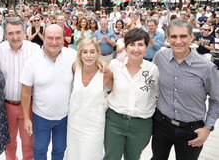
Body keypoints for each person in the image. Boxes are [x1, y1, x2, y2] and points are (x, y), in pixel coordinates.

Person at [151, 19, 219, 160]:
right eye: (173, 36)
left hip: (191, 130)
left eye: (183, 36)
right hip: (161, 125)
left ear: (192, 37)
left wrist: (208, 128)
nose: (178, 41)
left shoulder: (206, 67)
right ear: (168, 38)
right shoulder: (160, 57)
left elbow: (216, 100)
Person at [20, 24, 77, 160]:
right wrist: (26, 118)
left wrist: (101, 63)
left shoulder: (73, 56)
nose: (54, 42)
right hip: (41, 117)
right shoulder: (32, 61)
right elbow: (26, 92)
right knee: (40, 150)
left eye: (58, 38)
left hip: (64, 116)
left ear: (64, 38)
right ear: (43, 38)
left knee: (59, 149)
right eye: (50, 38)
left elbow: (90, 60)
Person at [104, 28, 160, 160]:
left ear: (146, 47)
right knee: (111, 157)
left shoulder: (152, 69)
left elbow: (156, 92)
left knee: (133, 157)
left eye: (140, 45)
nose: (136, 49)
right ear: (126, 46)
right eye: (132, 44)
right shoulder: (115, 65)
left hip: (141, 124)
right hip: (115, 121)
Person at [0, 17, 40, 160]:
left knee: (28, 142)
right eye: (10, 33)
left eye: (18, 32)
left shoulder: (34, 49)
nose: (15, 37)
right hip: (6, 105)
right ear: (5, 35)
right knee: (9, 142)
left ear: (24, 32)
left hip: (28, 105)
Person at [66, 38, 113, 160]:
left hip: (94, 125)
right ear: (80, 54)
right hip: (74, 123)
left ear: (98, 53)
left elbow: (116, 91)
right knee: (73, 155)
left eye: (92, 52)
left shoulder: (105, 73)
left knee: (90, 156)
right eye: (85, 52)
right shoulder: (75, 68)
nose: (88, 56)